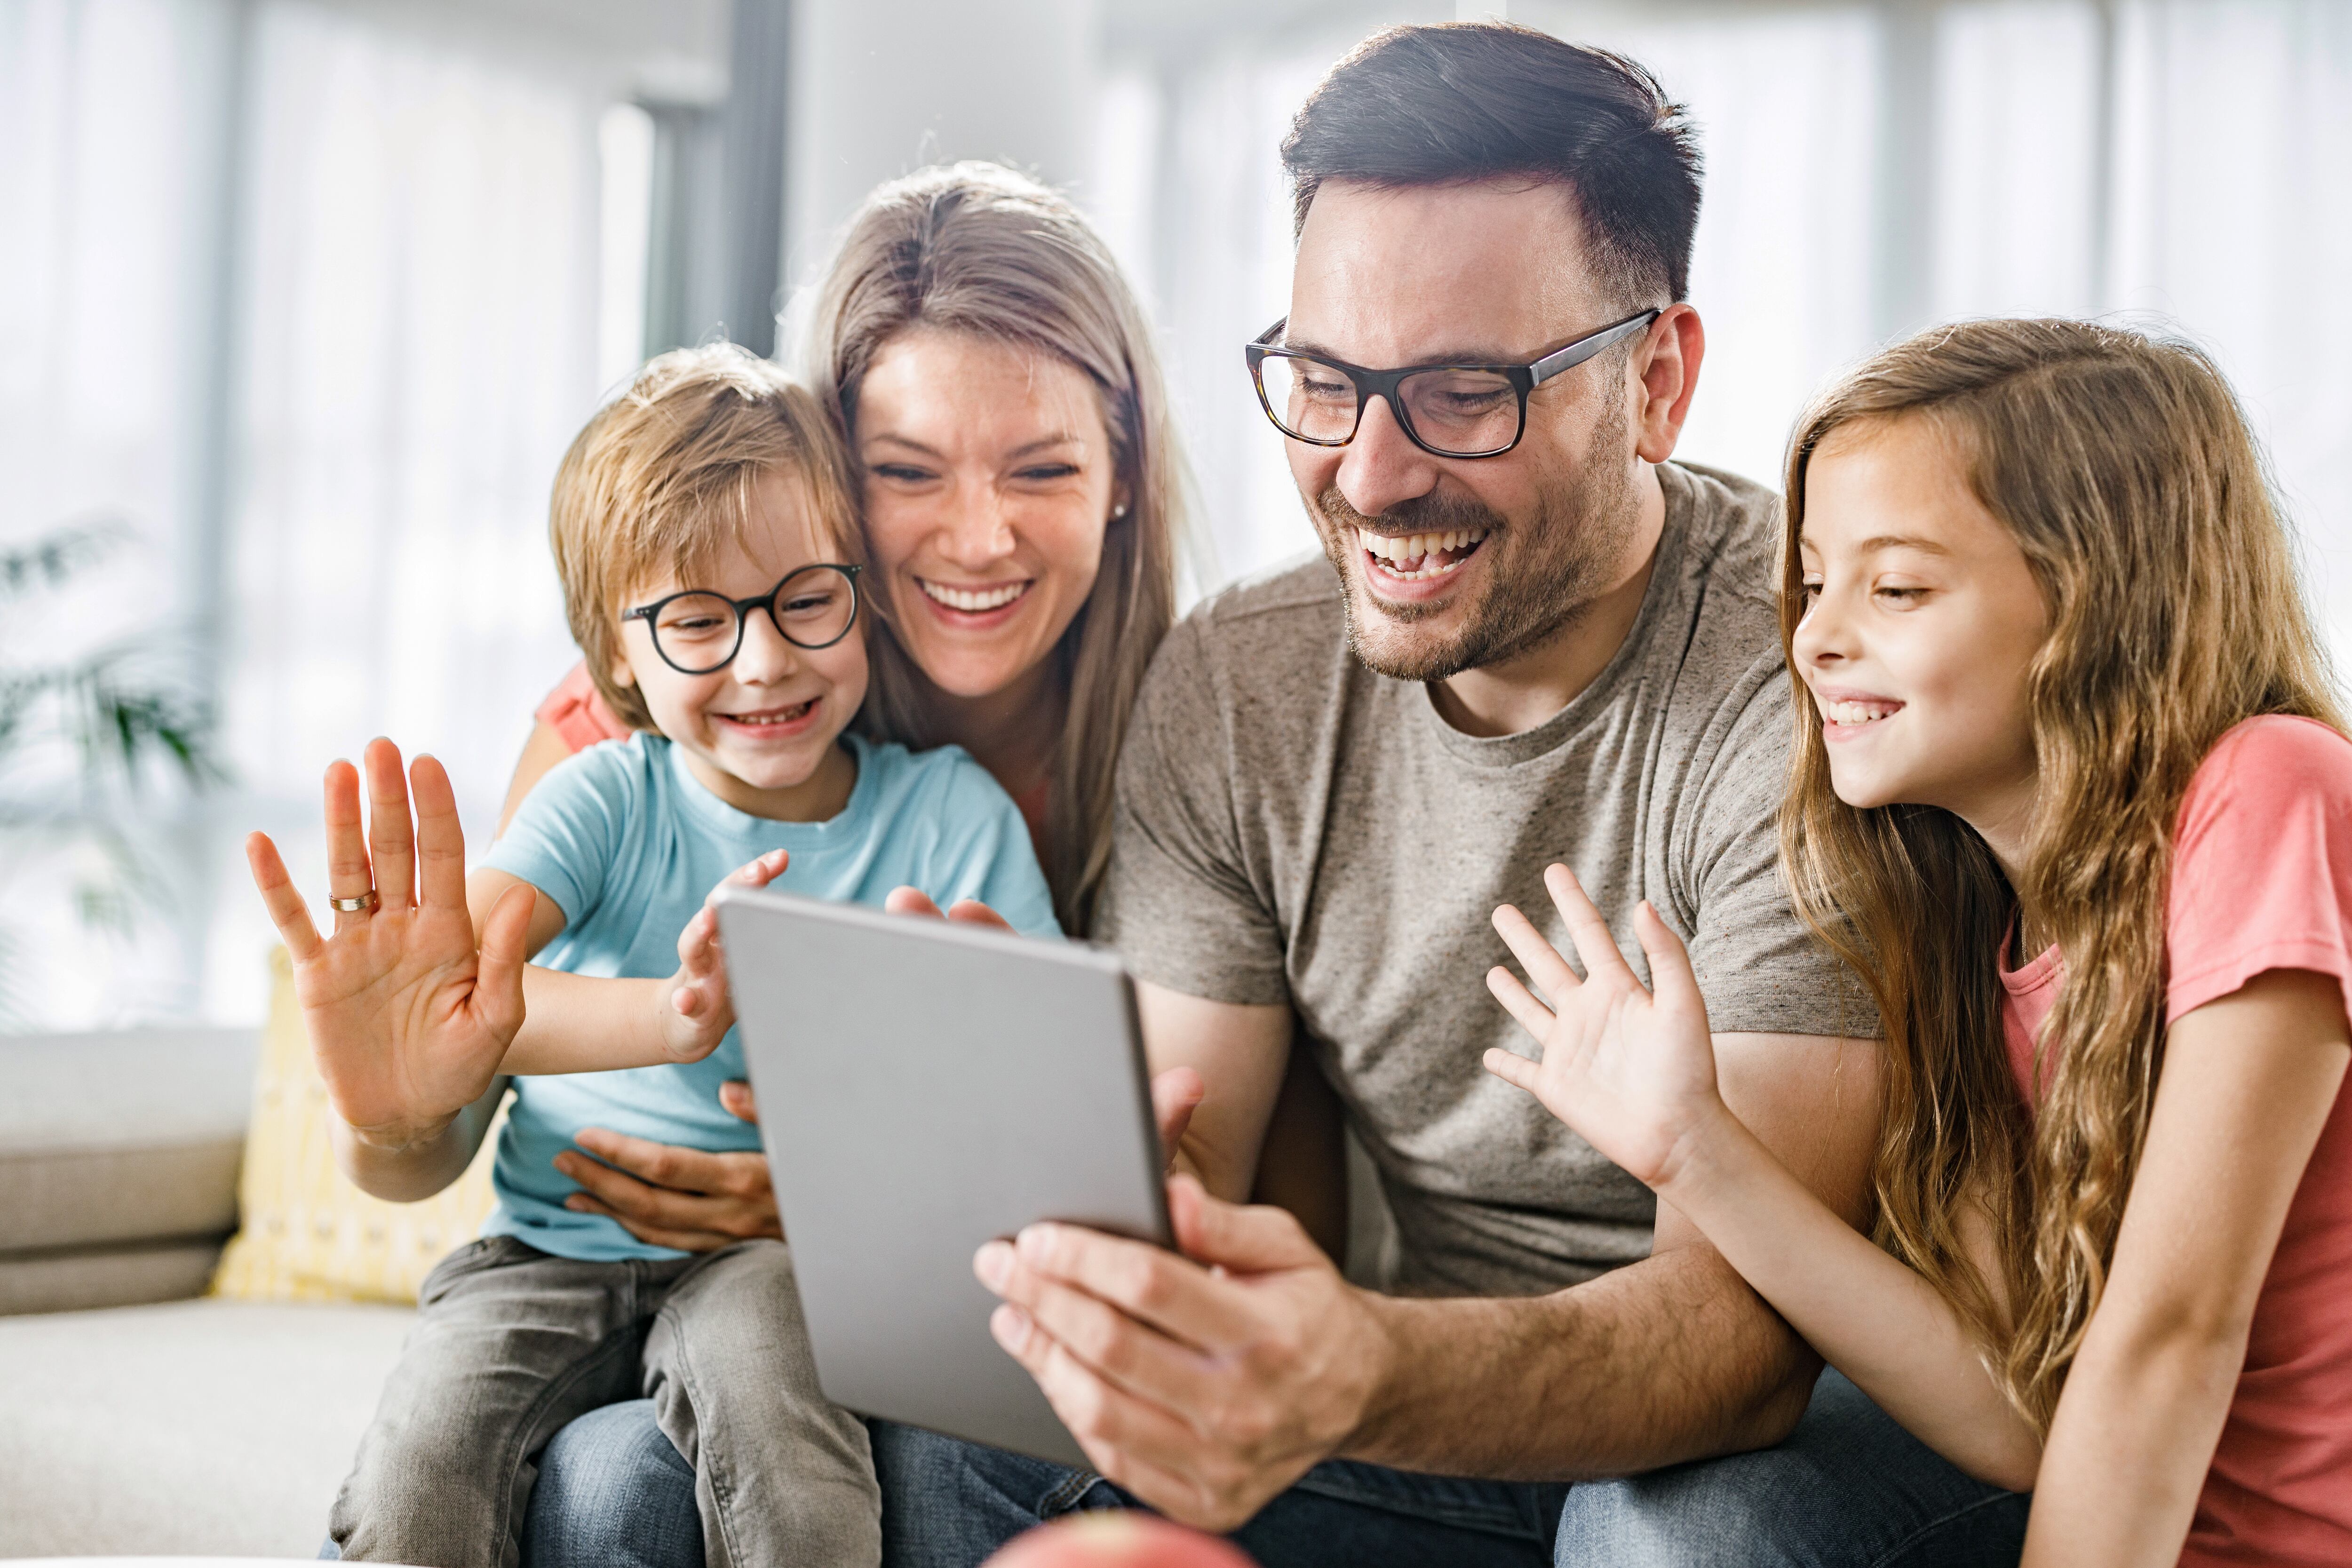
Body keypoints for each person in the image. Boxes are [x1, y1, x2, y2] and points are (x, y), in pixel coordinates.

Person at [888, 22, 2027, 1568]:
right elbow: (1192, 1169)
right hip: (1430, 1418)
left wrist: (1356, 1366)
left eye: (1462, 394)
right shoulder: (1242, 684)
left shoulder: (1815, 681)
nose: (1368, 476)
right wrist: (1062, 1186)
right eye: (1324, 382)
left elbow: (1741, 1342)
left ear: (1656, 382)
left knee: (1679, 1538)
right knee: (974, 1444)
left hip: (1809, 1419)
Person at [1484, 318, 2352, 1567]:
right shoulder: (1973, 929)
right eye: (1816, 579)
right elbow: (2018, 1417)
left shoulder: (2270, 792)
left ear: (2098, 607)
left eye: (1895, 588)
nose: (1817, 636)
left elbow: (2174, 1331)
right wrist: (1695, 1151)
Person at [243, 346, 1057, 1568]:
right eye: (696, 621)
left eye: (806, 599)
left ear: (862, 595)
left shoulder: (950, 816)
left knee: (793, 1453)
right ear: (615, 657)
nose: (766, 660)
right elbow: (469, 988)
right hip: (545, 1252)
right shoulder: (602, 800)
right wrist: (668, 1018)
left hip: (769, 1261)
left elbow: (1040, 1078)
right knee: (419, 1478)